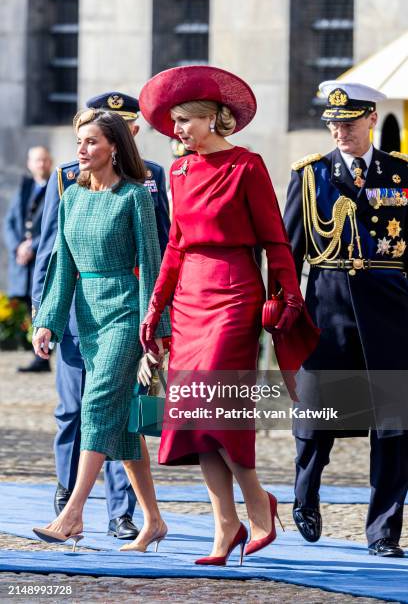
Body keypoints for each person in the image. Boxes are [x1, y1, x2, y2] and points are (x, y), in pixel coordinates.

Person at [137, 65, 319, 564]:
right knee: (196, 418)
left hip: (236, 295)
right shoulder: (177, 171)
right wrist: (156, 309)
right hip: (190, 299)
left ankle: (259, 507)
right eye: (173, 122)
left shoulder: (248, 165)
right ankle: (227, 526)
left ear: (213, 119)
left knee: (220, 410)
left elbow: (274, 240)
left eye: (184, 121)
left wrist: (289, 296)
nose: (176, 131)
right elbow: (174, 247)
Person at [31, 92, 170, 540]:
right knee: (126, 425)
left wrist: (158, 332)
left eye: (91, 142)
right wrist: (46, 319)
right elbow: (62, 266)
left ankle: (73, 514)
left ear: (113, 146)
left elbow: (152, 266)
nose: (81, 150)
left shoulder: (135, 197)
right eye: (78, 142)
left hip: (125, 315)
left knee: (95, 405)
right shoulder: (71, 197)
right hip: (86, 319)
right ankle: (154, 520)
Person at [284, 81, 408, 557]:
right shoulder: (312, 175)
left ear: (371, 119)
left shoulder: (399, 174)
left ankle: (383, 533)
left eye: (349, 123)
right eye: (333, 123)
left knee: (396, 428)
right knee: (318, 420)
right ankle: (305, 494)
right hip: (328, 311)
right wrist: (285, 312)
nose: (340, 131)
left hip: (392, 316)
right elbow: (288, 252)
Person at [3, 146, 53, 372]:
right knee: (28, 305)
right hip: (23, 262)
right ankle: (38, 354)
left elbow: (53, 226)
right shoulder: (24, 188)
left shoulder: (56, 187)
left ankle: (42, 357)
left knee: (41, 306)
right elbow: (10, 222)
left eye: (44, 160)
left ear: (49, 162)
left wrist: (31, 245)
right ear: (29, 164)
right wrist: (17, 247)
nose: (40, 164)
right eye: (36, 160)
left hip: (40, 259)